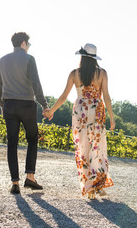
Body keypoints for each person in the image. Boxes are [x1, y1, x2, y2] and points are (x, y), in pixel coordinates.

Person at [45, 43, 115, 199]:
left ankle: (89, 187)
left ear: (82, 57)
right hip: (97, 111)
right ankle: (97, 184)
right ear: (94, 58)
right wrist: (112, 117)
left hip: (80, 111)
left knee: (83, 147)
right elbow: (107, 97)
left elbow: (64, 97)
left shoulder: (74, 74)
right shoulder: (102, 73)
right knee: (97, 147)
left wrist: (51, 111)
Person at [0, 32, 50, 194]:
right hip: (26, 105)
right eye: (29, 44)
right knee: (32, 139)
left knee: (12, 143)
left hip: (9, 105)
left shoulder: (2, 60)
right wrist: (44, 105)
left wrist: (2, 105)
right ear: (24, 43)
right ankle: (30, 178)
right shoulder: (29, 59)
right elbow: (36, 84)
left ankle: (15, 183)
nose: (29, 47)